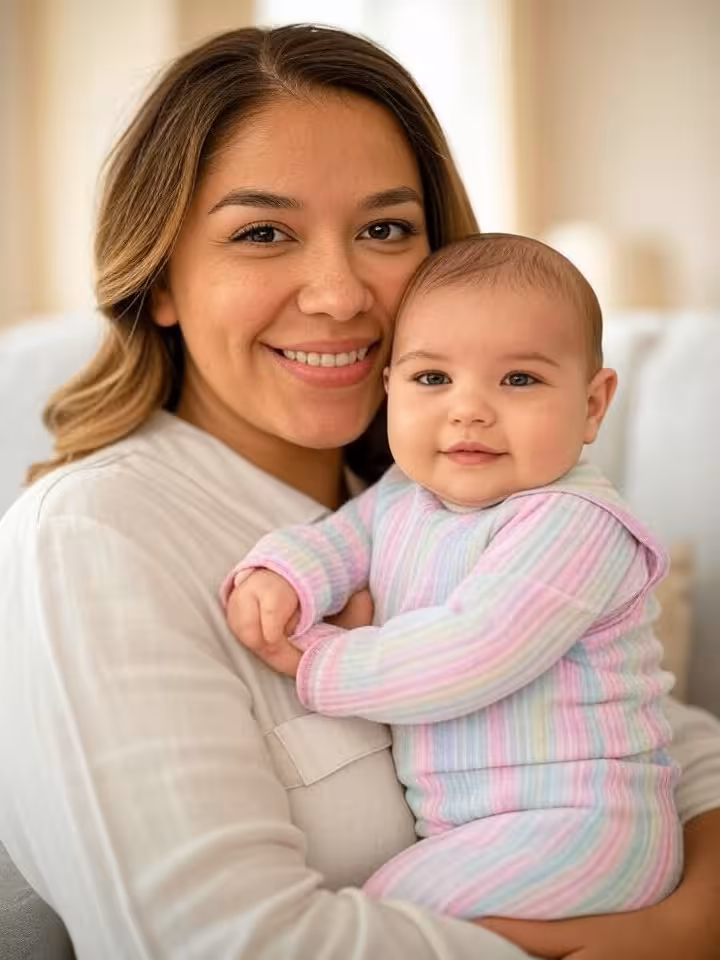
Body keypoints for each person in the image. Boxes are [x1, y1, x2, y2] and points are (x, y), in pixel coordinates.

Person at [0, 24, 718, 960]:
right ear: (160, 280)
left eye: (385, 229)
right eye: (263, 234)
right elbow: (221, 945)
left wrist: (698, 916)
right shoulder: (92, 541)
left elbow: (669, 742)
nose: (340, 294)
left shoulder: (456, 498)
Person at [223, 233, 682, 920]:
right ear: (391, 390)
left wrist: (322, 662)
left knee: (385, 916)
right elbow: (337, 541)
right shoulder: (402, 497)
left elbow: (476, 650)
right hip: (478, 830)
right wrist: (284, 575)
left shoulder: (575, 523)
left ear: (591, 406)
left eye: (519, 379)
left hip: (583, 825)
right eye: (432, 379)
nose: (468, 409)